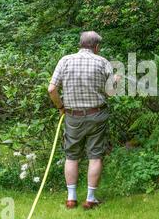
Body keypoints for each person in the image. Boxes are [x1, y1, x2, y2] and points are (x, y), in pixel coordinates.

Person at [48, 31, 118, 209]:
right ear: (97, 47)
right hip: (97, 115)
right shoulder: (102, 62)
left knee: (71, 157)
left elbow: (51, 89)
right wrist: (116, 80)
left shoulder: (65, 60)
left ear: (80, 44)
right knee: (95, 157)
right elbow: (110, 93)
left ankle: (71, 198)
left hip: (72, 116)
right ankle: (91, 198)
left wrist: (61, 107)